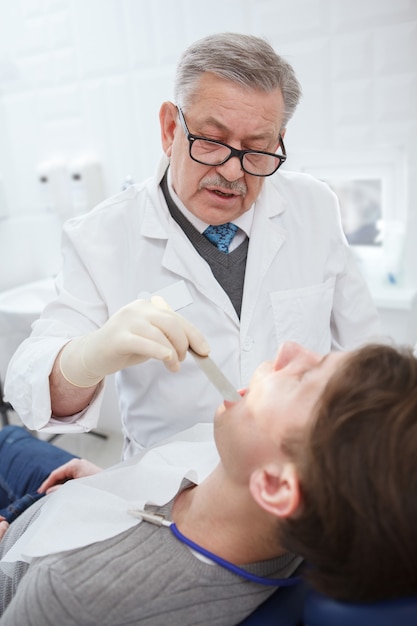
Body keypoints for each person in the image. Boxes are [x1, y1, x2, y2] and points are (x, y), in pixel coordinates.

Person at [4, 32, 381, 459]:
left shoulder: (312, 206)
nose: (233, 172)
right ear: (170, 129)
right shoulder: (102, 236)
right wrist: (88, 357)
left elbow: (366, 353)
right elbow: (28, 383)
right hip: (172, 488)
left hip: (300, 468)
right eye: (212, 142)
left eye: (257, 150)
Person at [1, 341, 417, 624]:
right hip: (86, 499)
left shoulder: (73, 594)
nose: (291, 349)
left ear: (275, 487)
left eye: (304, 379)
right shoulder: (298, 523)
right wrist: (112, 487)